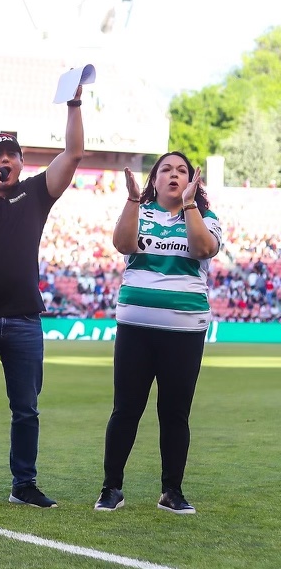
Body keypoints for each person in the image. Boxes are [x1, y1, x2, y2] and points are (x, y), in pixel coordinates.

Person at [0, 86, 84, 510]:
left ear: (23, 163)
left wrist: (74, 104)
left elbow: (74, 154)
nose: (5, 161)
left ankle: (24, 484)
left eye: (12, 155)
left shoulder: (36, 193)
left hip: (24, 319)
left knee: (26, 409)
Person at [94, 152, 221, 514]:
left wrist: (189, 206)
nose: (174, 175)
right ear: (154, 179)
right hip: (135, 328)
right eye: (166, 169)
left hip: (185, 331)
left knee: (175, 412)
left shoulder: (207, 218)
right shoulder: (140, 210)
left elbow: (201, 248)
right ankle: (111, 488)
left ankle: (172, 491)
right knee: (126, 409)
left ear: (191, 181)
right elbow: (122, 244)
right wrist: (133, 199)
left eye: (182, 170)